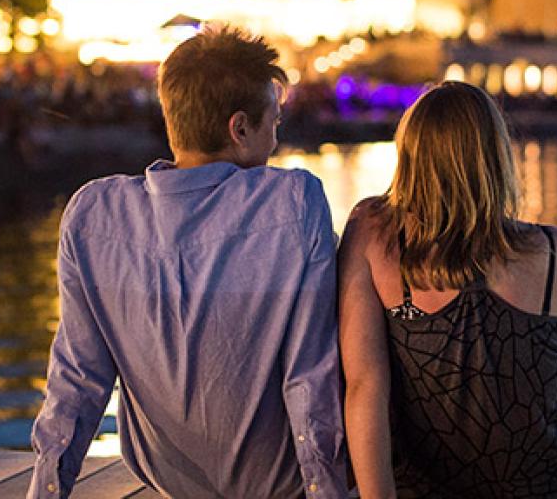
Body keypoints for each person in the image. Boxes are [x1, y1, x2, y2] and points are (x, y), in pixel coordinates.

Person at [28, 25, 348, 498]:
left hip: (168, 481)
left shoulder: (94, 214)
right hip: (279, 486)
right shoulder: (292, 202)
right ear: (240, 129)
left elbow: (77, 379)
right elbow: (310, 377)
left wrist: (45, 492)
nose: (274, 141)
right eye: (273, 124)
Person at [338, 81, 557, 499]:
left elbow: (364, 387)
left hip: (429, 486)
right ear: (497, 157)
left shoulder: (373, 234)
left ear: (409, 155)